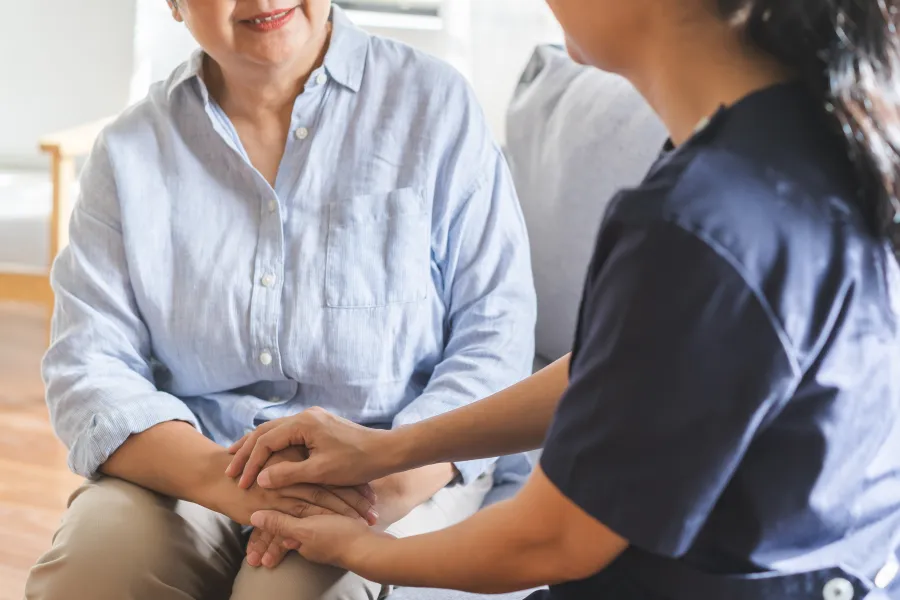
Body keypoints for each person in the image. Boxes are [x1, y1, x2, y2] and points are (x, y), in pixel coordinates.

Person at [227, 0, 900, 598]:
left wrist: (360, 550)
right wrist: (389, 448)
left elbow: (552, 539)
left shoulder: (699, 223)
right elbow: (628, 376)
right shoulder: (798, 136)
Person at [25, 1, 537, 599]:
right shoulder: (128, 152)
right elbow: (88, 368)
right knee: (92, 568)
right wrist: (230, 483)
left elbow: (496, 336)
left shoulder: (435, 105)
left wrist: (382, 486)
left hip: (399, 471)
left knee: (290, 592)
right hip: (197, 467)